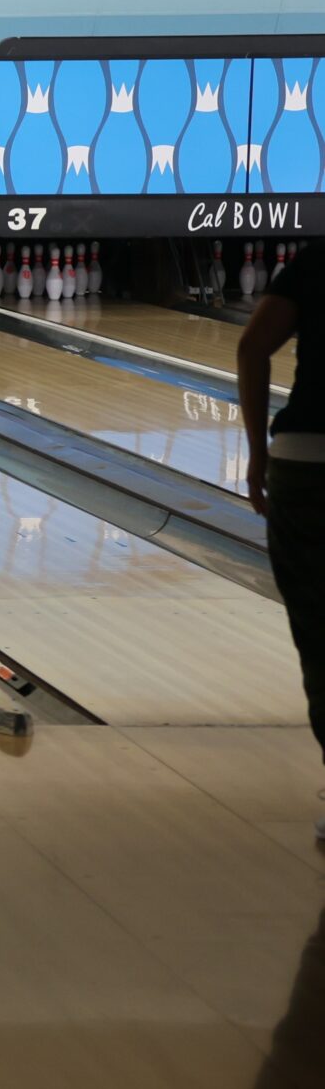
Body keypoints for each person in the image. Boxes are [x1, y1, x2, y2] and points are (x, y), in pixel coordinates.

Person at [239, 257, 325, 842]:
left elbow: (252, 347)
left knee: (321, 634)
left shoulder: (316, 261)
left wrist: (257, 455)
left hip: (306, 462)